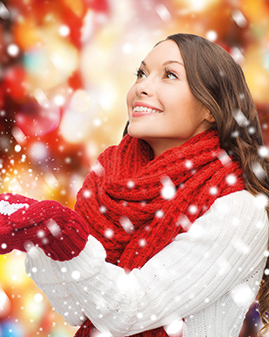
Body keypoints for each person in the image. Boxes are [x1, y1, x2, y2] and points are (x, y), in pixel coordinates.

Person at [0, 33, 269, 337]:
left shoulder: (239, 209)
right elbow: (77, 310)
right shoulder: (107, 184)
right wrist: (42, 241)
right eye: (141, 73)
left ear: (211, 107)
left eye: (169, 75)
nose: (142, 86)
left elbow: (130, 311)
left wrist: (66, 236)